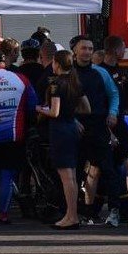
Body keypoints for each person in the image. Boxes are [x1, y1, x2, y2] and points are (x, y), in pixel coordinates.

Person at [71, 34, 127, 227]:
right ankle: (77, 213)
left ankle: (114, 211)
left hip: (99, 125)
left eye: (90, 48)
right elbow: (60, 99)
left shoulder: (100, 72)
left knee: (108, 169)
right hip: (76, 127)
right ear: (75, 51)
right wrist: (72, 120)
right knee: (77, 171)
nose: (87, 52)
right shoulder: (68, 73)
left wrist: (112, 113)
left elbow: (114, 94)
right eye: (83, 48)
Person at [0, 48, 37, 224]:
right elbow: (33, 105)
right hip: (14, 137)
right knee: (7, 176)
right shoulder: (21, 79)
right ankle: (3, 214)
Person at [35, 50, 90, 229]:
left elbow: (54, 112)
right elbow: (86, 109)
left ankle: (71, 216)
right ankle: (71, 214)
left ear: (56, 64)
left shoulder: (56, 84)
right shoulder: (75, 82)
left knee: (66, 177)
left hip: (59, 131)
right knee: (72, 176)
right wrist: (71, 113)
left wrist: (39, 109)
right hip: (71, 129)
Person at [101, 36, 128, 224]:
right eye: (123, 48)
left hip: (122, 124)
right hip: (106, 126)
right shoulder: (100, 73)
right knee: (100, 170)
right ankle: (101, 209)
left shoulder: (121, 71)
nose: (125, 52)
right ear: (116, 51)